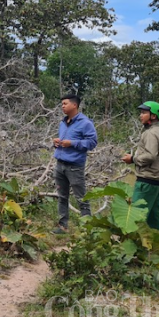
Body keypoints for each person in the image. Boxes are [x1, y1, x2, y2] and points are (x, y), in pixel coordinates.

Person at [53, 93, 98, 233]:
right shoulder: (63, 122)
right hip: (60, 164)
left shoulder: (85, 123)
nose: (62, 106)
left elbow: (92, 143)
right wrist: (57, 143)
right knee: (62, 197)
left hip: (74, 167)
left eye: (65, 104)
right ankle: (62, 226)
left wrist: (72, 143)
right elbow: (64, 141)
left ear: (74, 105)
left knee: (81, 198)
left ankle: (87, 229)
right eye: (62, 104)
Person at [121, 101, 159, 232]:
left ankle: (133, 241)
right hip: (158, 180)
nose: (140, 115)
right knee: (154, 216)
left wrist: (132, 159)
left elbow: (150, 155)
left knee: (136, 215)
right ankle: (157, 240)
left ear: (153, 116)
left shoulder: (151, 133)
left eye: (143, 113)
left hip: (147, 180)